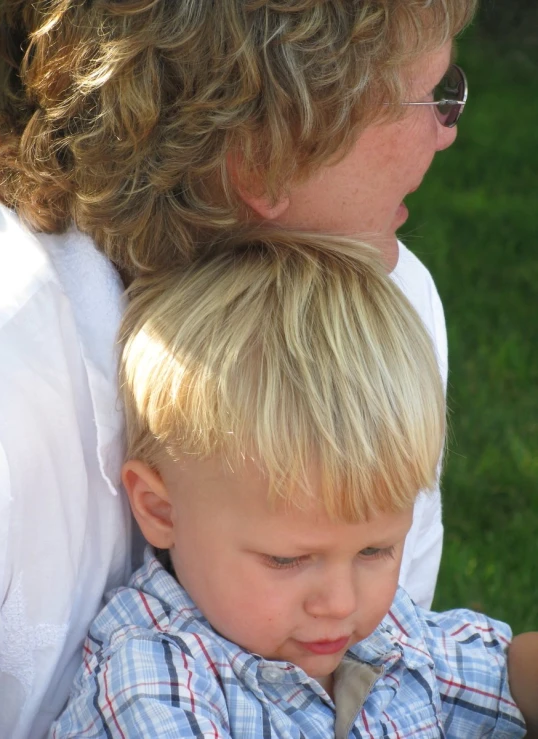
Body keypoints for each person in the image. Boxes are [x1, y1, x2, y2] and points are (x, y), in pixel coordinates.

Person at [0, 1, 477, 735]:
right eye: (428, 97)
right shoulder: (3, 382)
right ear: (270, 151)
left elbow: (409, 658)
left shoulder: (382, 312)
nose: (449, 131)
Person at [50, 231, 536, 737]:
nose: (341, 602)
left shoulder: (384, 637)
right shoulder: (154, 684)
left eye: (376, 550)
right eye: (288, 560)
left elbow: (507, 671)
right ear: (161, 510)